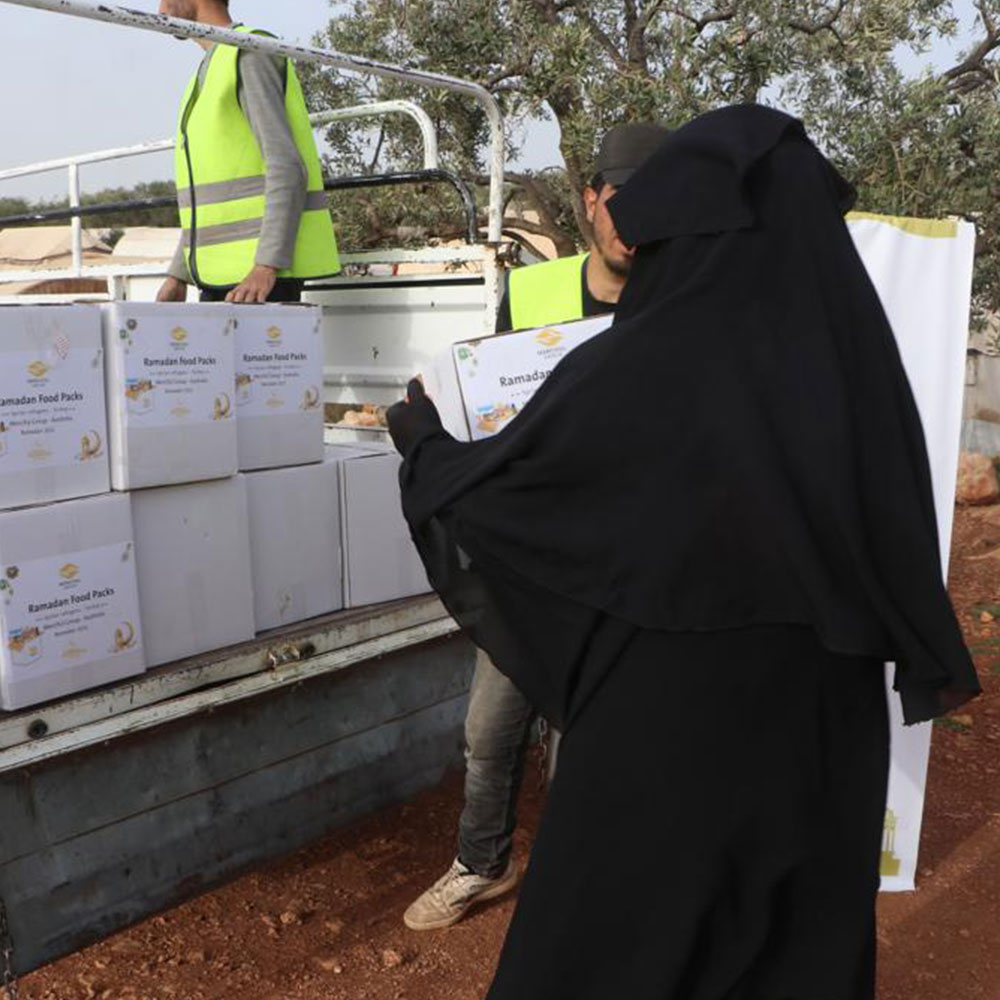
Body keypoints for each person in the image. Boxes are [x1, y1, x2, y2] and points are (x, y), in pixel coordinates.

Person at [387, 105, 981, 998]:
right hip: (822, 716)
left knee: (622, 937)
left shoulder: (655, 356)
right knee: (792, 945)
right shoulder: (853, 366)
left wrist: (423, 439)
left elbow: (517, 496)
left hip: (669, 716)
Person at [402, 122, 670, 934]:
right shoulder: (534, 292)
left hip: (635, 559)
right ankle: (482, 863)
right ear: (591, 202)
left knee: (602, 737)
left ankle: (601, 880)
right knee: (490, 728)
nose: (632, 223)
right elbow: (494, 403)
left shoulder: (684, 297)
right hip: (539, 556)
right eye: (620, 203)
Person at [155, 0, 339, 305]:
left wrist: (266, 266)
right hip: (221, 277)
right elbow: (210, 202)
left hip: (259, 282)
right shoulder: (210, 70)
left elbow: (287, 166)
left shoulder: (248, 52)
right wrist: (179, 274)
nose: (159, 7)